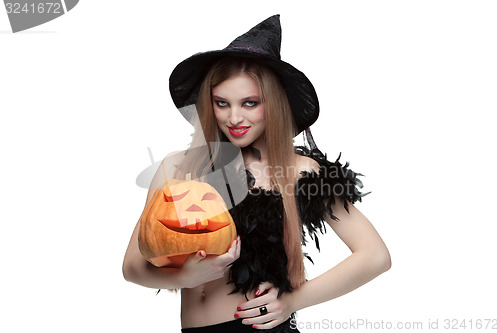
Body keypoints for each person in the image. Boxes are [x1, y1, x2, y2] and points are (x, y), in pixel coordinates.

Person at [123, 15, 391, 332]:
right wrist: (184, 277)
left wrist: (293, 301)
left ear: (272, 104)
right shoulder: (178, 166)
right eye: (222, 103)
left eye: (250, 103)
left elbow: (374, 255)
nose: (234, 117)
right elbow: (132, 266)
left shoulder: (298, 171)